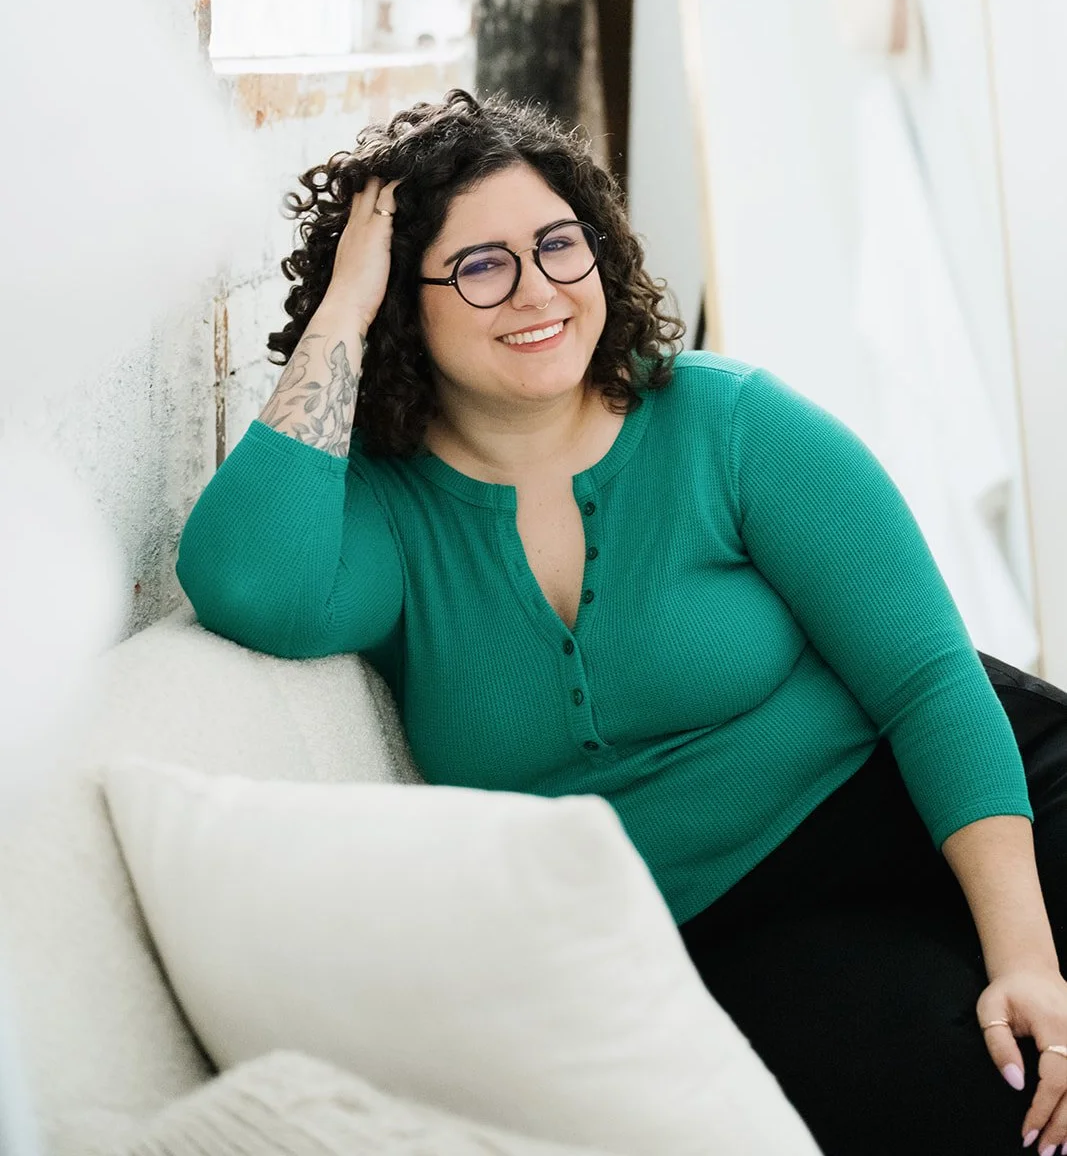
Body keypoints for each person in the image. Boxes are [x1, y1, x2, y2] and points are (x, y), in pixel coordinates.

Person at [176, 88, 1067, 1156]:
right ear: (402, 308)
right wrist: (341, 311)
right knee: (975, 1106)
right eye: (479, 265)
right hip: (727, 928)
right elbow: (245, 581)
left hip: (949, 791)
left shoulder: (727, 422)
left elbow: (928, 681)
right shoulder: (391, 518)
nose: (538, 290)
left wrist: (1024, 953)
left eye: (559, 245)